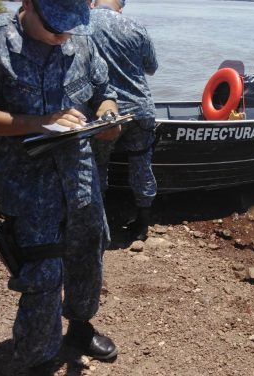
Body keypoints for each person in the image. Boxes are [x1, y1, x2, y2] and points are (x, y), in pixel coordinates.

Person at [0, 0, 120, 373]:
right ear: (28, 4)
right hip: (25, 184)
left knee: (87, 256)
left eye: (70, 26)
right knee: (42, 274)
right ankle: (38, 356)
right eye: (55, 25)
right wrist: (39, 122)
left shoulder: (81, 38)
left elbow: (103, 91)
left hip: (79, 177)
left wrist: (108, 115)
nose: (63, 36)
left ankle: (79, 328)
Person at [90, 0, 158, 241]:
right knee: (141, 163)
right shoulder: (136, 26)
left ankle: (98, 222)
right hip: (141, 108)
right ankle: (142, 223)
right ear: (120, 6)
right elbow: (152, 67)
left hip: (105, 112)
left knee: (98, 165)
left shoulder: (83, 23)